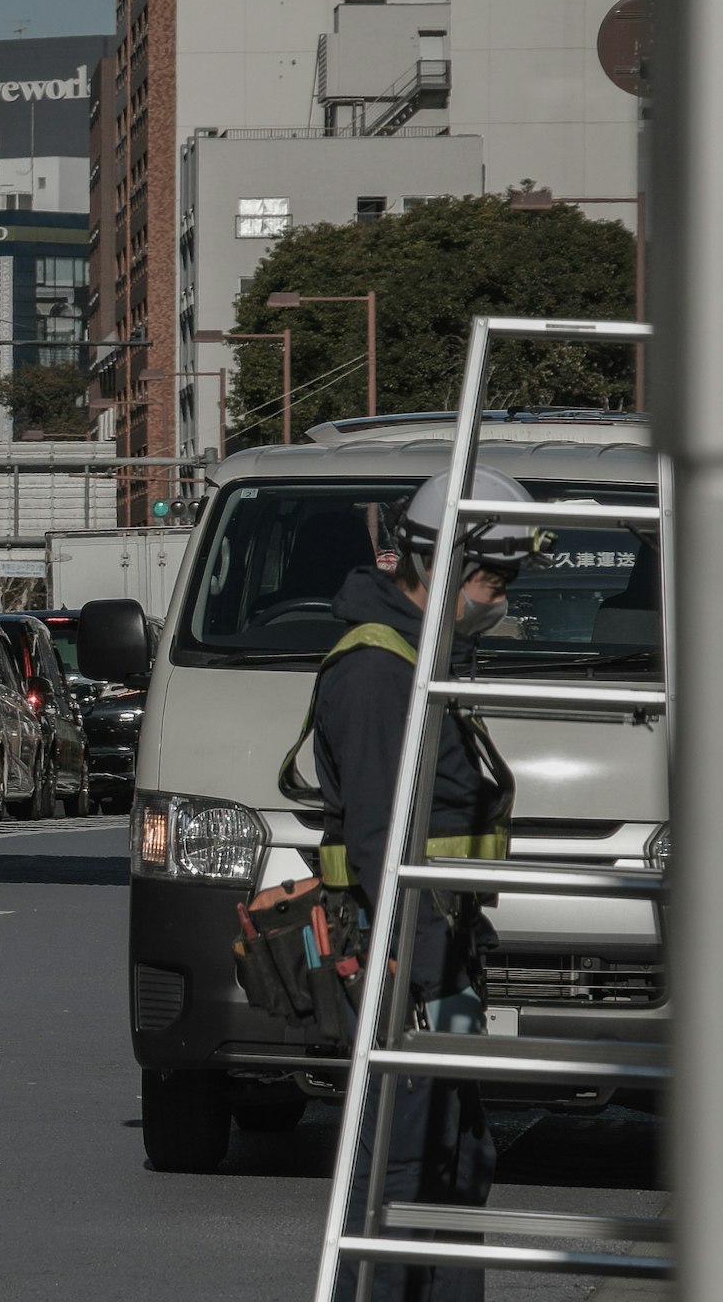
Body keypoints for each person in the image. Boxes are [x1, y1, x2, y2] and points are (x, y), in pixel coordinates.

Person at [310, 469, 531, 1302]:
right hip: (405, 959)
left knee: (451, 1161)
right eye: (488, 580)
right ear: (431, 563)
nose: (497, 599)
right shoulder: (376, 671)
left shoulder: (416, 655)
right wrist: (426, 974)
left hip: (434, 953)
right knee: (402, 1174)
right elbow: (378, 840)